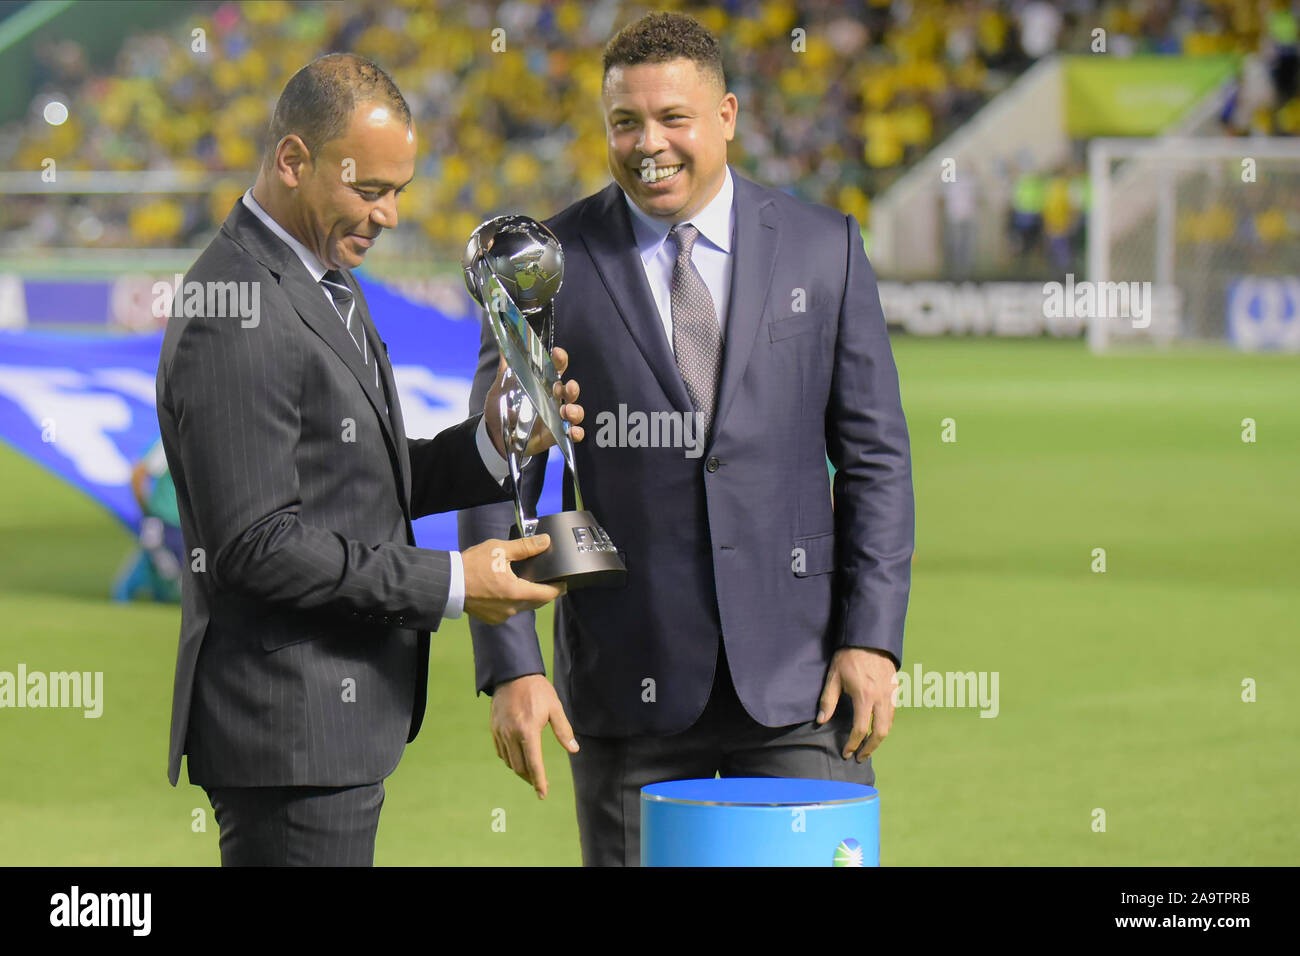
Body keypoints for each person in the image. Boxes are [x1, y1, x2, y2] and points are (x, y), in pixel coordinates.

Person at [459, 13, 914, 866]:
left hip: (804, 691)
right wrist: (512, 665)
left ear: (728, 116)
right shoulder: (543, 266)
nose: (648, 144)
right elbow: (496, 471)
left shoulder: (826, 248)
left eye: (674, 118)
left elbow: (876, 460)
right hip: (627, 694)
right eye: (625, 122)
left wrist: (872, 638)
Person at [156, 54, 585, 866]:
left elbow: (360, 477)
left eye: (399, 191)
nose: (389, 215)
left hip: (331, 728)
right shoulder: (237, 308)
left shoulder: (324, 274)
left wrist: (496, 438)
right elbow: (256, 544)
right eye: (371, 190)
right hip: (286, 735)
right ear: (293, 160)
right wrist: (458, 583)